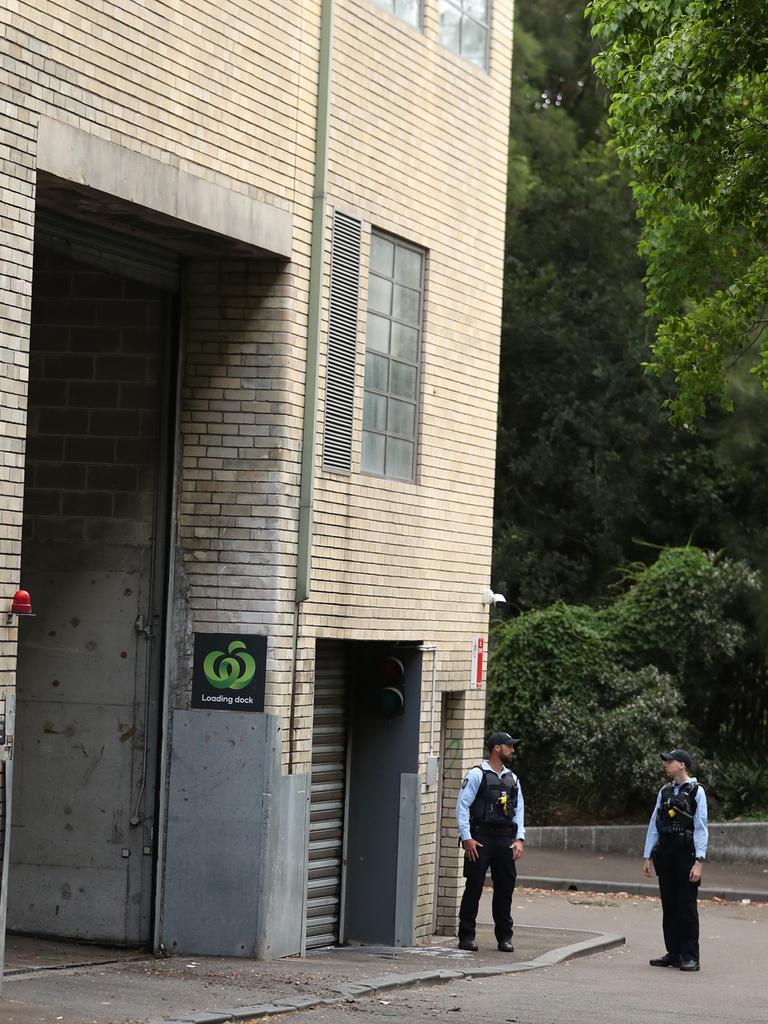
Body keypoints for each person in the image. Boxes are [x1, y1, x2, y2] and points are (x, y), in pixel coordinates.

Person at [455, 731, 525, 952]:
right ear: (497, 748)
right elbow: (462, 806)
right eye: (509, 746)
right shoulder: (477, 774)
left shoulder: (512, 779)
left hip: (504, 838)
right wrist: (467, 838)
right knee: (473, 887)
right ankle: (466, 936)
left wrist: (519, 839)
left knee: (505, 888)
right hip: (480, 838)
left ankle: (505, 937)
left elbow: (519, 810)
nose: (512, 750)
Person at [643, 748, 708, 972]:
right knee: (669, 905)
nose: (666, 764)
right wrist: (647, 855)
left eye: (669, 761)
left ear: (682, 764)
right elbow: (654, 824)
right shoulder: (664, 791)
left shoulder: (696, 791)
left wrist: (699, 861)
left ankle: (691, 956)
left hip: (686, 855)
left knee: (686, 905)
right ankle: (674, 952)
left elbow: (701, 828)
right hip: (665, 854)